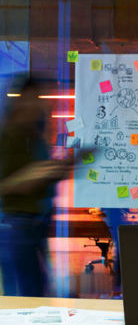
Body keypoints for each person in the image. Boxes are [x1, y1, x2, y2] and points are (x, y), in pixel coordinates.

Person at [0, 76, 72, 296]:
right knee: (25, 295)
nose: (40, 104)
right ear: (21, 101)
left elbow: (42, 176)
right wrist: (39, 174)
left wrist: (60, 168)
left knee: (36, 292)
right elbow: (7, 185)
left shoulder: (34, 137)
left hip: (36, 224)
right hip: (16, 225)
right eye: (34, 98)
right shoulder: (8, 137)